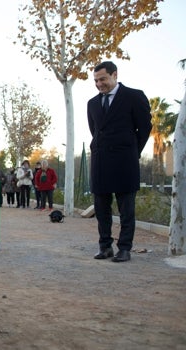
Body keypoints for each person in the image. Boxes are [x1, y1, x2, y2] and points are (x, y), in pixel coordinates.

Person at [87, 61, 152, 263]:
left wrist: (132, 151)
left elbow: (144, 129)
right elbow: (95, 130)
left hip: (125, 161)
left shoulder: (134, 96)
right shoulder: (92, 103)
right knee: (101, 208)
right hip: (100, 161)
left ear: (115, 75)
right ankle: (105, 246)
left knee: (126, 209)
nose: (99, 84)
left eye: (103, 79)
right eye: (96, 80)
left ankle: (124, 248)